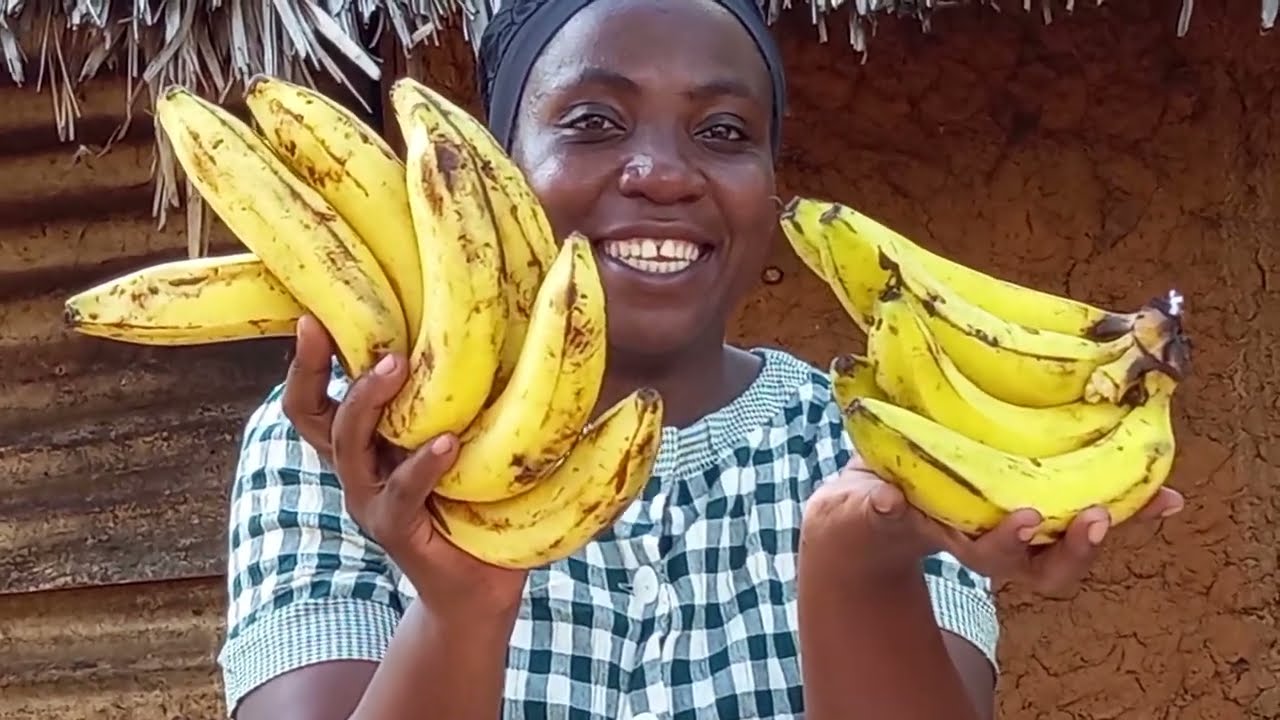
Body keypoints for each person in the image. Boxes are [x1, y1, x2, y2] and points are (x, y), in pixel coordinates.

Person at [215, 0, 1185, 718]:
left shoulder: (877, 445)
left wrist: (860, 565)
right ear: (497, 177)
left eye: (723, 133)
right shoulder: (354, 437)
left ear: (768, 192)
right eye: (592, 121)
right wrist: (462, 604)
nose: (664, 173)